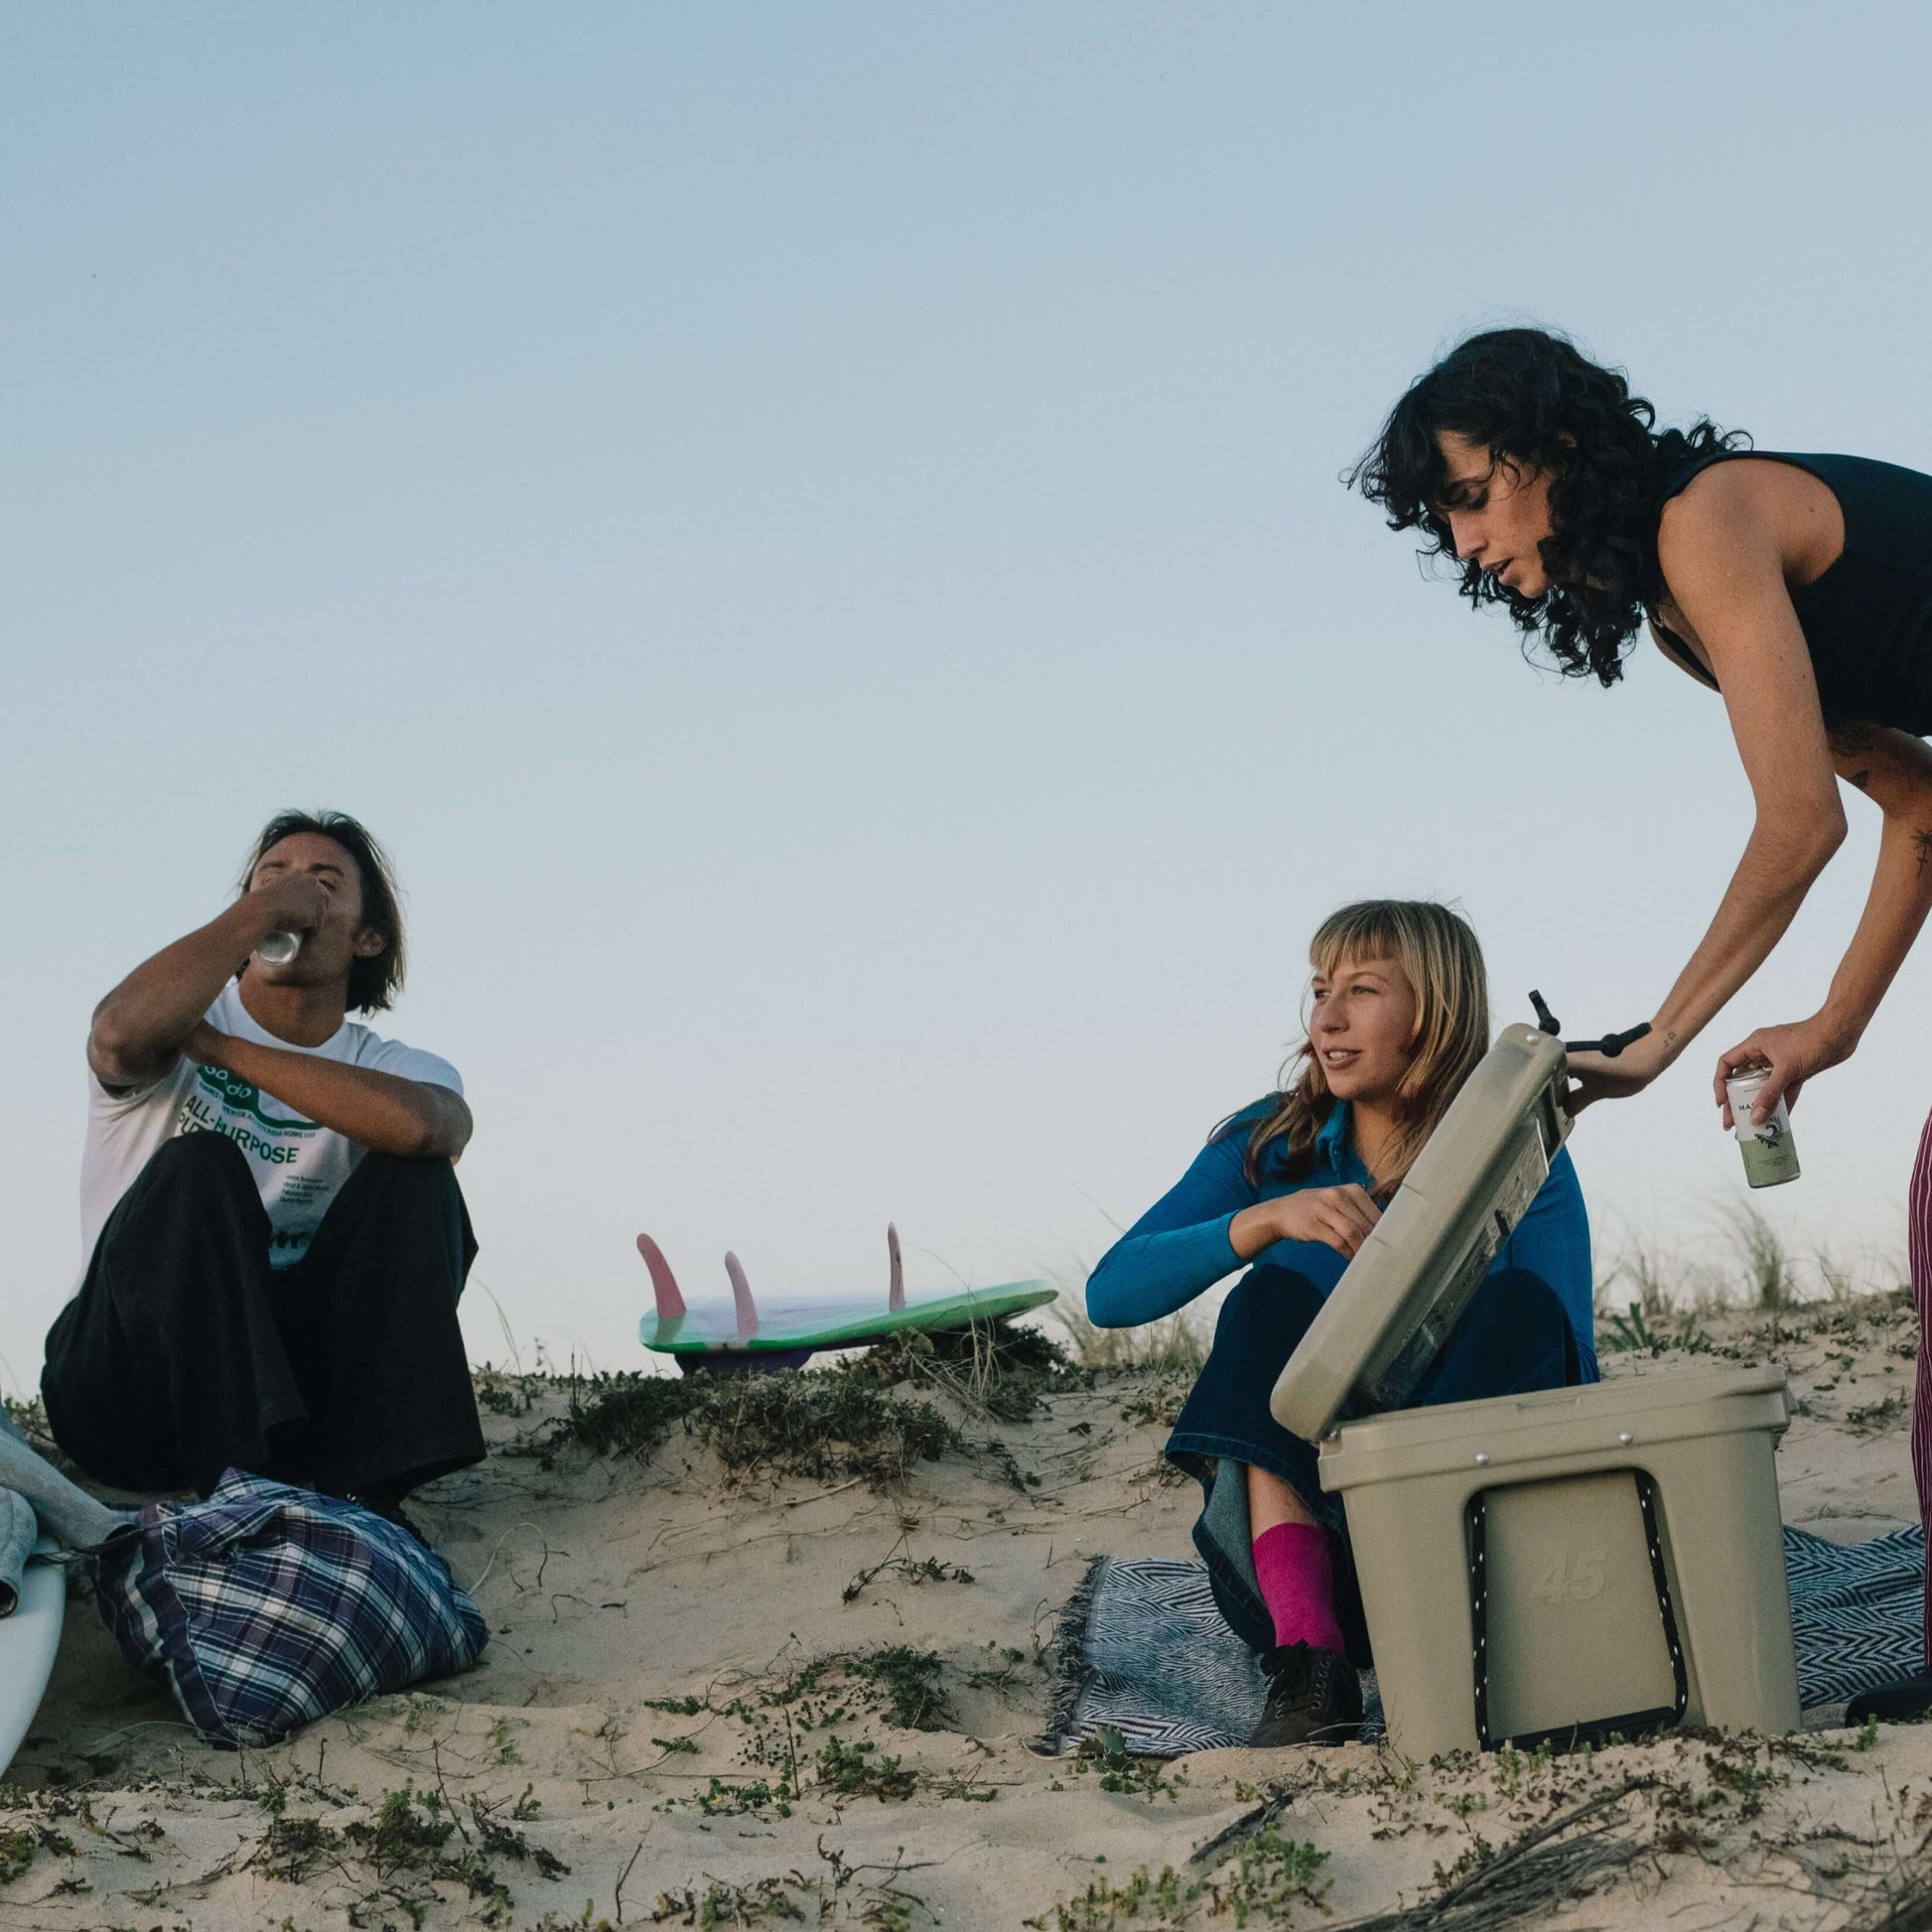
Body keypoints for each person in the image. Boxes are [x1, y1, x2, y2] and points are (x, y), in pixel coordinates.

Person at [1353, 326, 1932, 1720]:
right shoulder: (1685, 615)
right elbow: (1914, 801)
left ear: (1547, 450)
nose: (1464, 540)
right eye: (1443, 519)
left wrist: (1660, 1039)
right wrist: (1829, 1029)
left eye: (1471, 493)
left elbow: (1793, 824)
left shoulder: (1708, 520)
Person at [1085, 900, 1592, 1746]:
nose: (1327, 1017)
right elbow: (1111, 1295)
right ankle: (1312, 1668)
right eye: (1320, 990)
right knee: (1269, 1301)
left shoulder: (1517, 1150)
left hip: (1474, 1554)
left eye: (1361, 990)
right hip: (1318, 1575)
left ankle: (1459, 1636)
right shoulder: (1272, 1141)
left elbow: (1569, 1366)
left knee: (1522, 1310)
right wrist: (1265, 1221)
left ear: (1433, 1011)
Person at [42, 810, 484, 1528]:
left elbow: (428, 1124)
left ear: (368, 937)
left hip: (293, 1409)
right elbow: (118, 1035)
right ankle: (239, 1485)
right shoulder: (176, 1016)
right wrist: (261, 915)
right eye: (271, 877)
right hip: (125, 1391)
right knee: (199, 1167)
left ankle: (367, 1490)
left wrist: (222, 1051)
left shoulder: (386, 1066)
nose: (293, 891)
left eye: (324, 881)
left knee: (417, 1172)